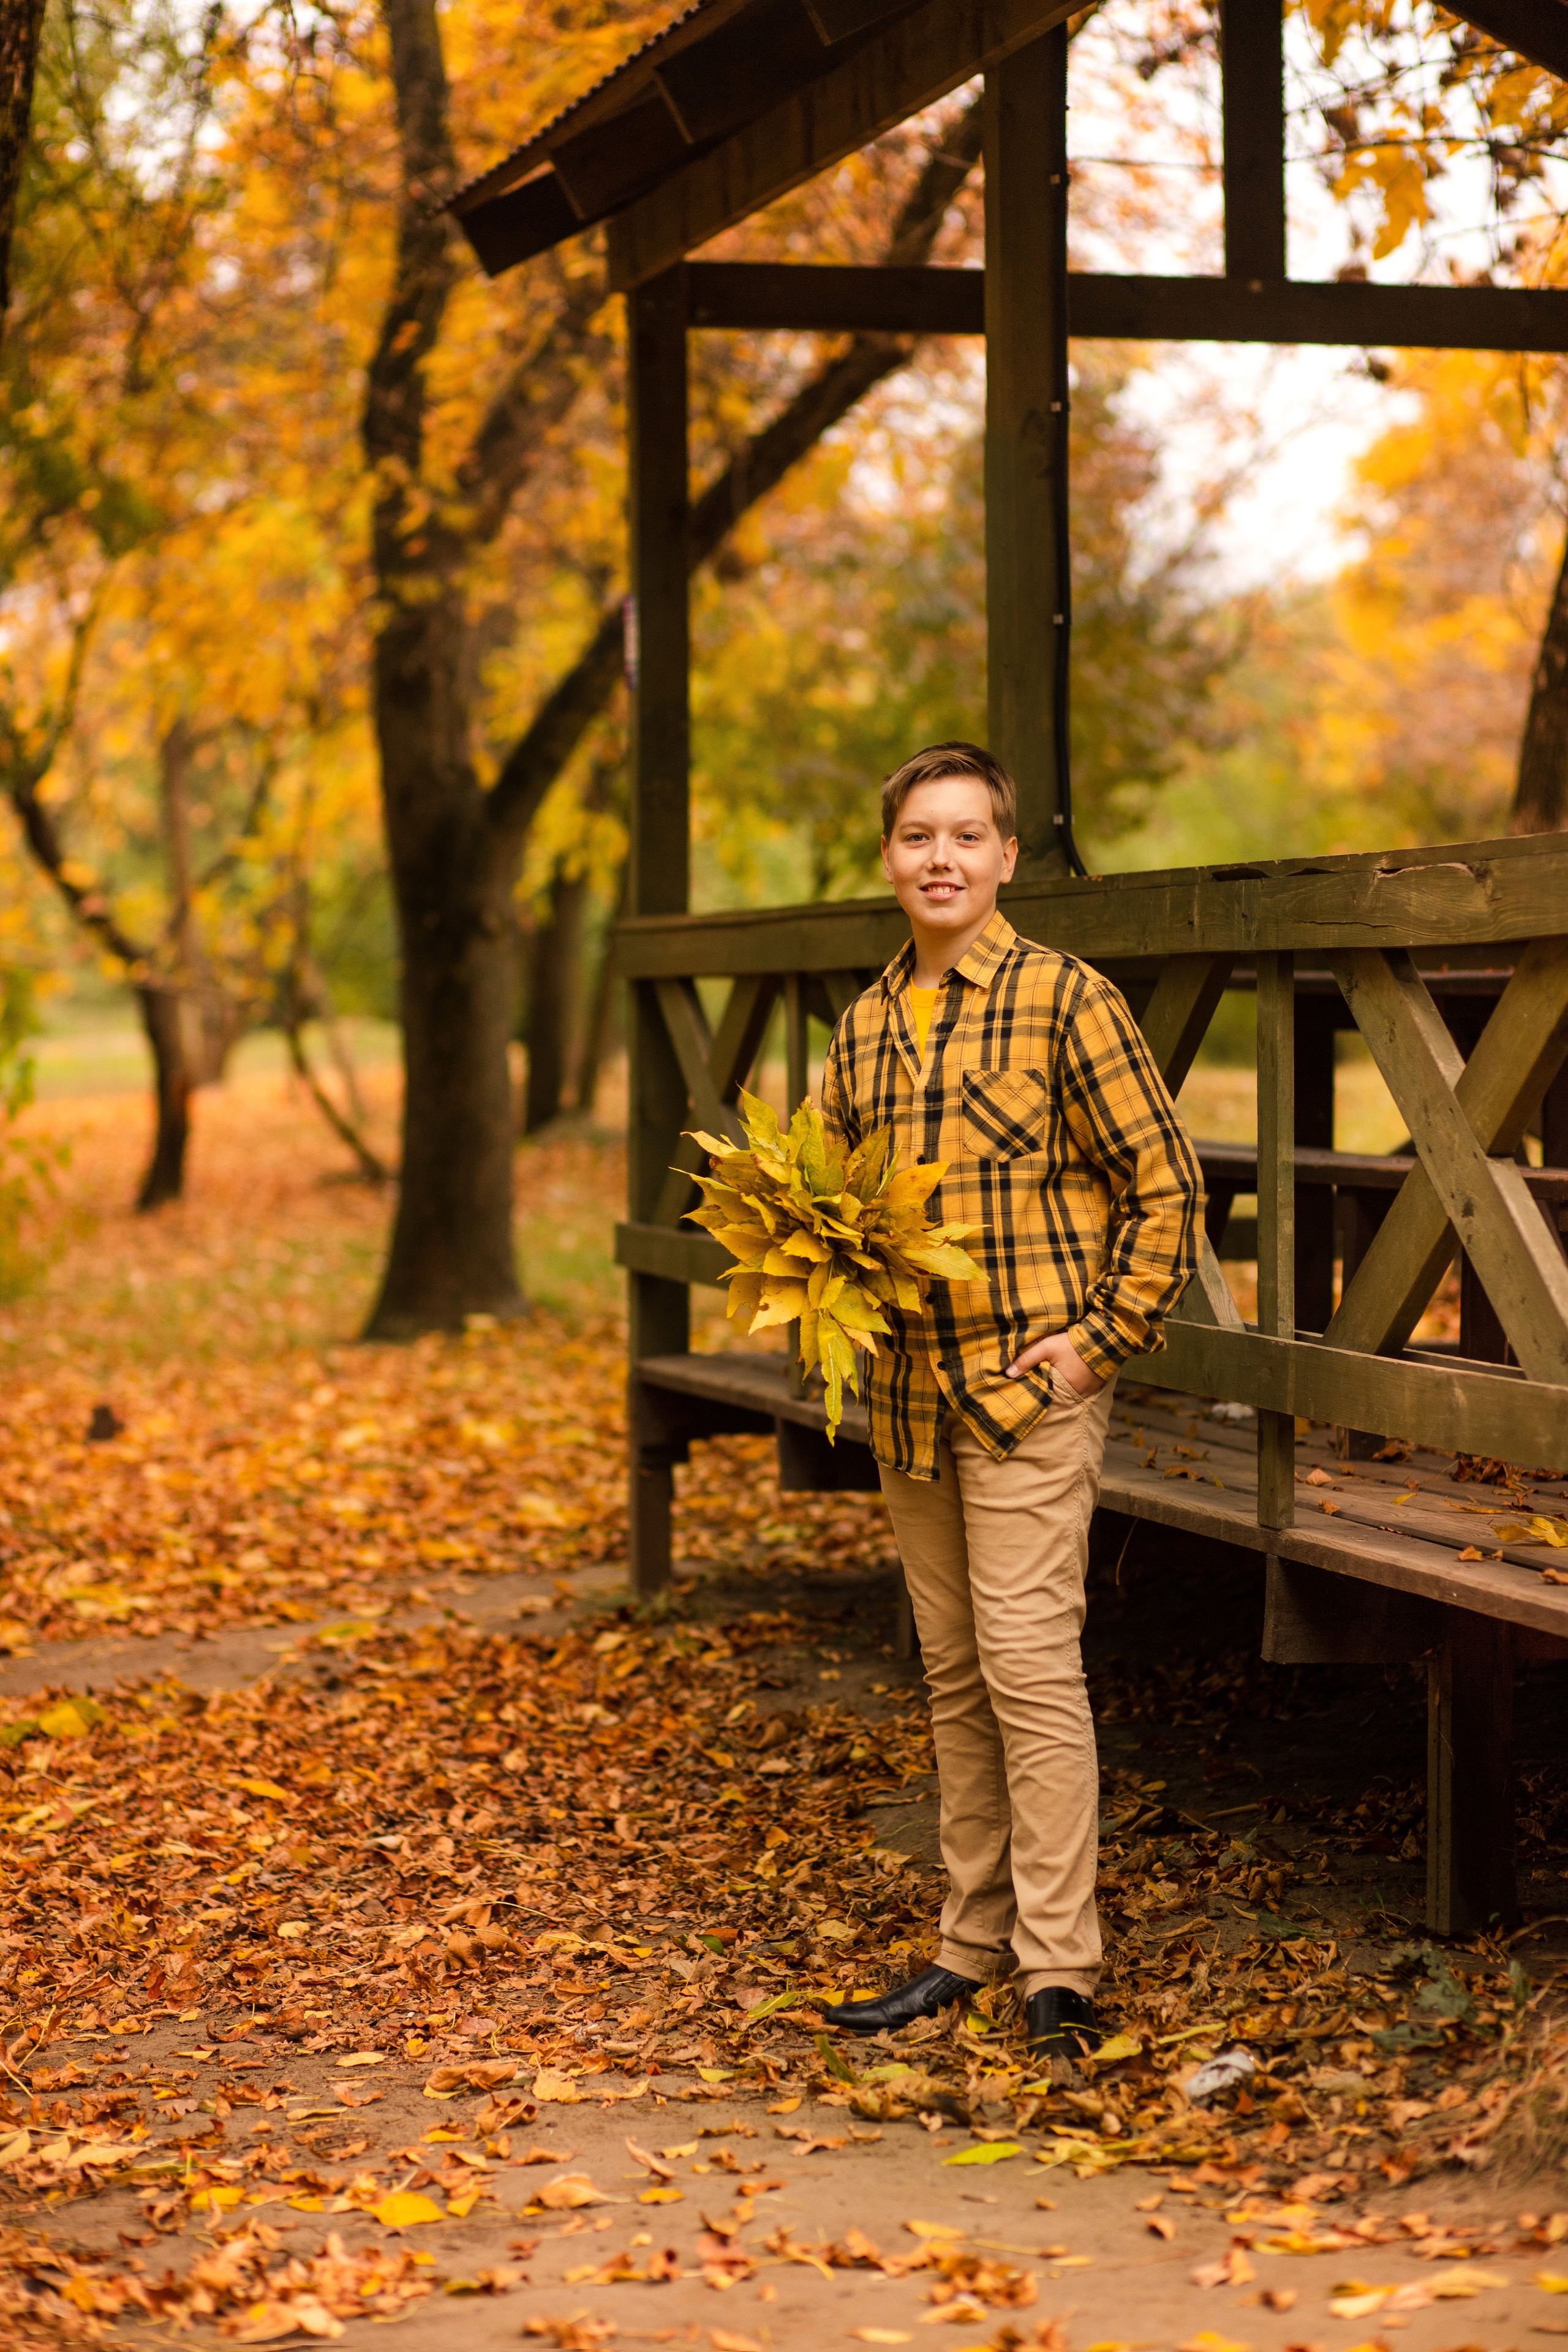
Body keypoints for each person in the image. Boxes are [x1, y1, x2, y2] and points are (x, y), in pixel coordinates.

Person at [816, 742, 1202, 2062]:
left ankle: (1060, 1969)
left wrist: (1099, 1341)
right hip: (908, 1400)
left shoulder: (1062, 1002)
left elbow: (1164, 1186)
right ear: (887, 857)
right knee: (950, 1674)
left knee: (1030, 1670)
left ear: (1004, 859)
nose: (940, 859)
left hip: (1026, 1391)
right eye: (917, 836)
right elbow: (829, 1205)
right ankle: (964, 1950)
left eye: (965, 837)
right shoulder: (861, 1026)